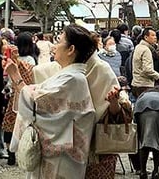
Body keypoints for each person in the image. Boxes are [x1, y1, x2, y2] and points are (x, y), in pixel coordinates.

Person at [5, 24, 97, 178]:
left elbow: (37, 105)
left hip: (61, 158)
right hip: (60, 155)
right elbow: (39, 95)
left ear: (71, 49)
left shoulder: (73, 78)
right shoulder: (69, 76)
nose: (54, 46)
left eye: (59, 41)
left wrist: (17, 78)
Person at [131, 27, 159, 98]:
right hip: (145, 84)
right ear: (146, 37)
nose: (155, 37)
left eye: (155, 35)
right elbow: (147, 69)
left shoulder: (138, 47)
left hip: (136, 82)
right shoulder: (146, 50)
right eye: (153, 35)